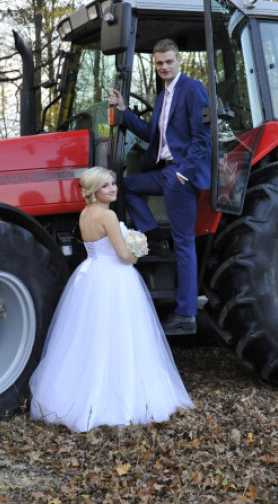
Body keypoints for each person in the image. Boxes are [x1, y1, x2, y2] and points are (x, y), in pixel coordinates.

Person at [29, 167, 193, 432]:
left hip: (91, 272)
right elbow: (123, 255)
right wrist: (138, 250)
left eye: (113, 183)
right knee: (121, 332)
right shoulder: (108, 216)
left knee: (90, 334)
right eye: (106, 185)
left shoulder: (85, 213)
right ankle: (118, 394)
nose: (113, 188)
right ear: (94, 190)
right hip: (114, 276)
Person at [109, 38, 210, 335]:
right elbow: (151, 137)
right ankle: (153, 237)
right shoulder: (163, 95)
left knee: (184, 243)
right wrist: (123, 111)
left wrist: (185, 174)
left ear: (179, 61)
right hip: (164, 171)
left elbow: (202, 138)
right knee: (126, 186)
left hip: (180, 174)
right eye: (159, 63)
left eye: (169, 61)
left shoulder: (192, 89)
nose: (164, 67)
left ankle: (186, 313)